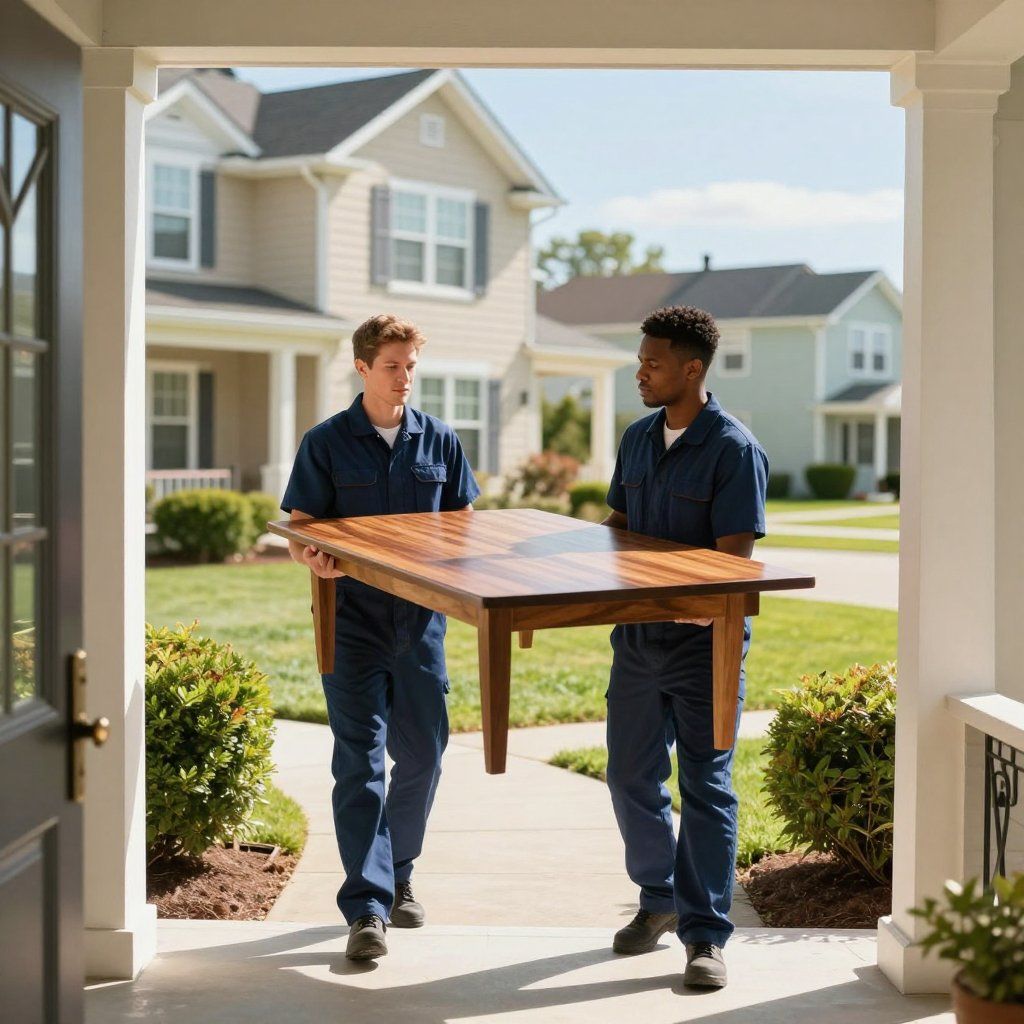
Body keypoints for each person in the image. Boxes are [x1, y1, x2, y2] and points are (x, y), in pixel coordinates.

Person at [281, 313, 480, 961]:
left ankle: (400, 872)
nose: (404, 379)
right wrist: (310, 556)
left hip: (421, 625)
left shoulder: (441, 442)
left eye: (411, 367)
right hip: (351, 624)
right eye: (392, 366)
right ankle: (366, 906)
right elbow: (303, 527)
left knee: (424, 755)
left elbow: (463, 525)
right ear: (363, 368)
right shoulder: (326, 442)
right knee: (359, 763)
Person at [602, 305, 768, 990]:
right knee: (630, 776)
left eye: (654, 361)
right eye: (640, 359)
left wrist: (680, 603)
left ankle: (705, 935)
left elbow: (731, 567)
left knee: (705, 784)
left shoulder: (733, 450)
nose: (640, 370)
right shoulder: (638, 440)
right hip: (637, 641)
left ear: (692, 369)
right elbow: (616, 530)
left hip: (706, 649)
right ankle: (659, 897)